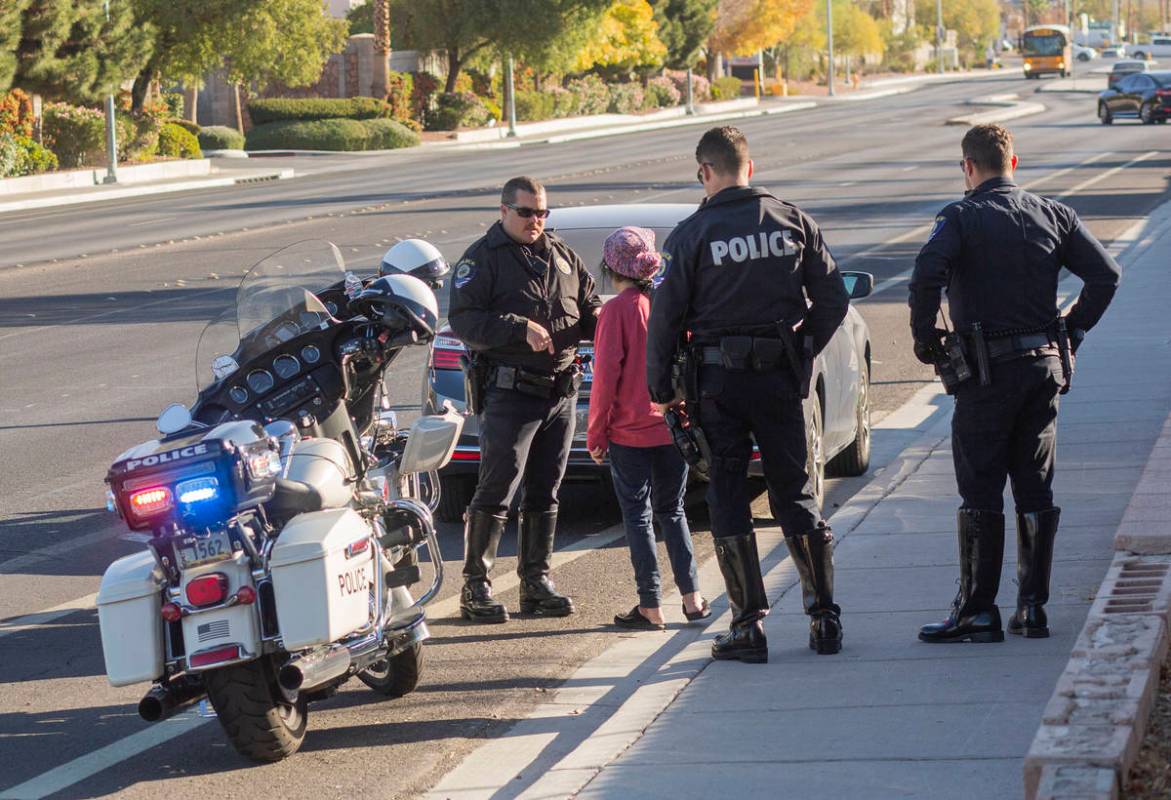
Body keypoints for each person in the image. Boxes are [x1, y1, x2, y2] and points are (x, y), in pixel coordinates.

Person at [909, 124, 1120, 644]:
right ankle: (1033, 609)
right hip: (1043, 367)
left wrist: (926, 341)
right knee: (1035, 484)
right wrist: (1072, 329)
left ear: (968, 167)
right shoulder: (1053, 213)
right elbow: (1106, 275)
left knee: (980, 486)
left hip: (985, 374)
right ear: (1014, 163)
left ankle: (979, 610)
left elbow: (924, 279)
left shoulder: (958, 217)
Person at [646, 127, 850, 663]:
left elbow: (664, 321)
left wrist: (662, 389)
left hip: (719, 385)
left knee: (729, 495)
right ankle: (824, 618)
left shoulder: (691, 235)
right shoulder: (792, 220)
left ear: (704, 172)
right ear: (750, 168)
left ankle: (748, 626)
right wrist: (802, 347)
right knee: (794, 491)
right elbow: (833, 297)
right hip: (781, 379)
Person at [448, 176, 601, 624]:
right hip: (511, 392)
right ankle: (476, 586)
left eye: (542, 213)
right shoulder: (482, 259)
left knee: (546, 489)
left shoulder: (562, 256)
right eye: (526, 213)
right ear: (503, 211)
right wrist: (518, 329)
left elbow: (588, 303)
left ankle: (536, 582)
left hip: (560, 393)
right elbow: (465, 320)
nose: (536, 221)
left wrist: (602, 319)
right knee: (497, 488)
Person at [586, 226, 710, 630]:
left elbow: (605, 378)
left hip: (629, 432)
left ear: (610, 267)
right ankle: (692, 598)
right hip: (672, 425)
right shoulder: (668, 303)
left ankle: (650, 604)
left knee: (638, 517)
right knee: (673, 511)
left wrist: (596, 434)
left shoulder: (617, 311)